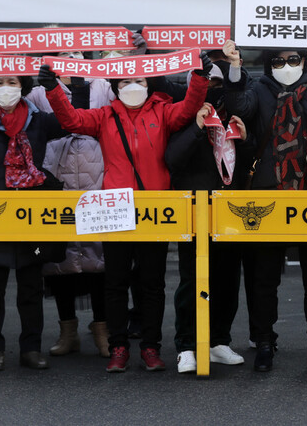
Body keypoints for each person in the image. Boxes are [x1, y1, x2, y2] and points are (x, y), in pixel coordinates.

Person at [38, 54, 212, 372]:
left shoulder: (163, 111)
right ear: (116, 88)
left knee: (152, 283)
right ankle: (119, 347)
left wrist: (199, 77)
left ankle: (150, 347)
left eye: (140, 81)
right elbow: (72, 121)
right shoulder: (105, 116)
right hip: (115, 210)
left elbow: (188, 109)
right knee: (115, 282)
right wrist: (54, 91)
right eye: (127, 82)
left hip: (155, 210)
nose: (134, 86)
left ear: (149, 85)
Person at [222, 40, 307, 372]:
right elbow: (240, 104)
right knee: (265, 277)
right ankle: (264, 342)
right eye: (278, 60)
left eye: (293, 59)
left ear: (304, 60)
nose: (286, 65)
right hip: (268, 195)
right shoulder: (259, 88)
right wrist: (235, 66)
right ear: (268, 65)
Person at [0, 74, 68, 371]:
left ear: (22, 86)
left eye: (12, 82)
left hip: (30, 212)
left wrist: (53, 88)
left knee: (31, 286)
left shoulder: (38, 120)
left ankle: (31, 349)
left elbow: (69, 121)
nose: (6, 88)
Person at [166, 59, 249, 373]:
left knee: (228, 280)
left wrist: (246, 136)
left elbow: (249, 159)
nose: (213, 91)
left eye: (218, 85)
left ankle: (218, 341)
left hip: (229, 211)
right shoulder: (184, 117)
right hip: (194, 212)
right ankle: (186, 345)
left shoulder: (234, 116)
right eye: (207, 85)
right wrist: (197, 129)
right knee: (191, 280)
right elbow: (172, 159)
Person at [27, 53, 112, 359]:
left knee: (99, 258)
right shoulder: (38, 91)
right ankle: (68, 331)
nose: (69, 59)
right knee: (57, 259)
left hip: (97, 178)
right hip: (56, 178)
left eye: (75, 53)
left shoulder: (102, 85)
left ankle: (102, 329)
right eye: (63, 54)